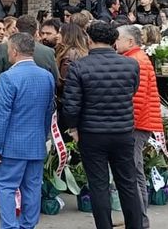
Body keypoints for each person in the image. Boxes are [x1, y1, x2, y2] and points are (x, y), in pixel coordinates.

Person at [63, 21, 142, 229]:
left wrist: (73, 128)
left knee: (98, 185)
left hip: (92, 132)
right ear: (114, 41)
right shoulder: (131, 64)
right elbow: (131, 91)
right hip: (123, 130)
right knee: (128, 184)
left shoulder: (79, 66)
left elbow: (71, 105)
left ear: (89, 39)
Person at [0, 33, 55, 229]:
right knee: (32, 187)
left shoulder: (8, 77)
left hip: (11, 144)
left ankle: (9, 226)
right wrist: (43, 136)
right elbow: (48, 111)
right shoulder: (47, 76)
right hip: (35, 143)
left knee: (6, 187)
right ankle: (28, 225)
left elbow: (0, 115)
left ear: (14, 51)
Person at [116, 25, 161, 228]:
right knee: (134, 172)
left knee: (132, 172)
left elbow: (136, 98)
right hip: (140, 122)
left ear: (130, 42)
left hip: (137, 124)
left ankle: (139, 221)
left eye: (118, 39)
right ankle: (136, 218)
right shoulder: (137, 58)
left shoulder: (136, 61)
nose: (114, 43)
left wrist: (125, 124)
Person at [0, 15, 59, 100]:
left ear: (16, 30)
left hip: (11, 100)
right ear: (36, 32)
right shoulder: (48, 52)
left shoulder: (4, 48)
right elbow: (55, 81)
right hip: (40, 101)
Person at [55, 23, 89, 97]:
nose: (57, 36)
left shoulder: (70, 55)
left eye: (60, 33)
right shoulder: (79, 52)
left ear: (68, 35)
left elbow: (64, 81)